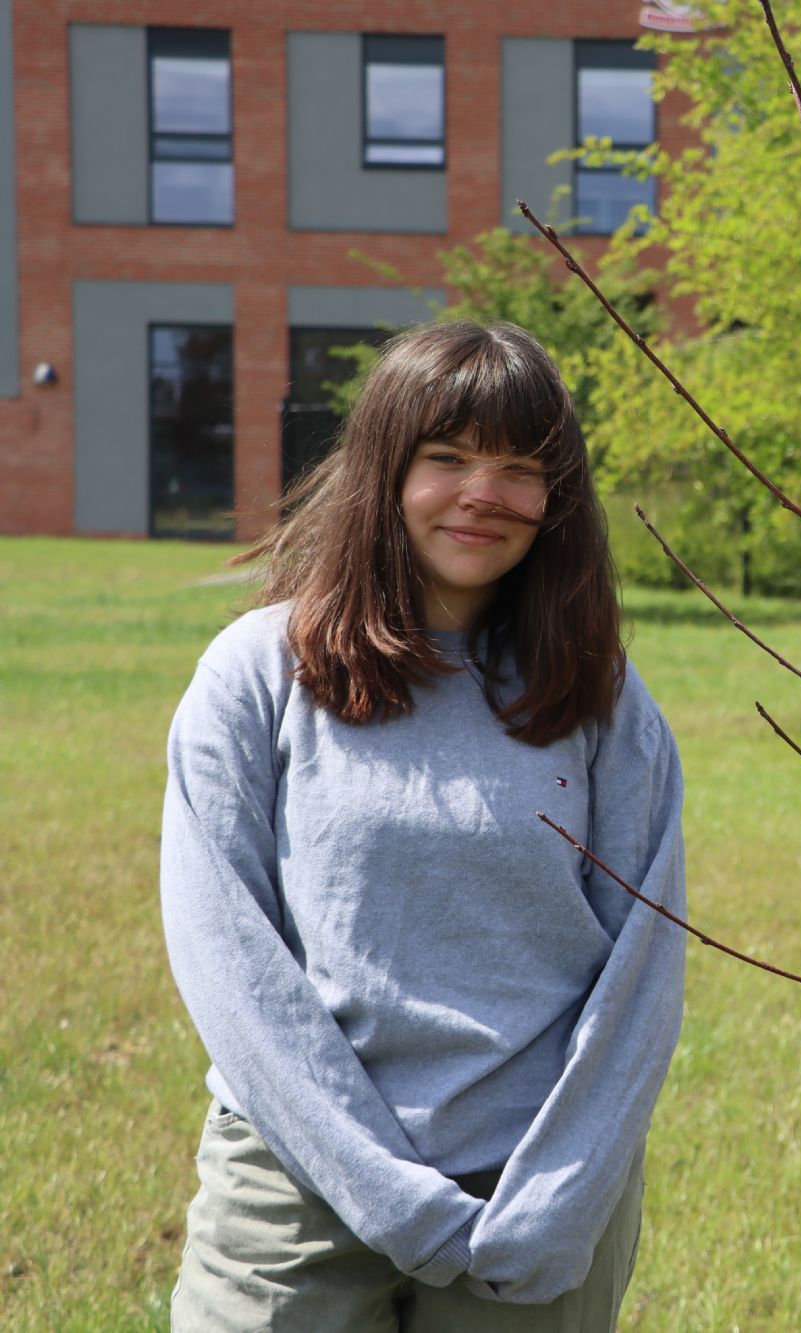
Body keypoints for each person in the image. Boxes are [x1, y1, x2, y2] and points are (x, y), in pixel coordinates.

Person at [160, 321, 686, 1329]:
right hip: (295, 1185)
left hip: (533, 1209)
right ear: (383, 469)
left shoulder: (604, 701)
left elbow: (643, 976)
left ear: (556, 499)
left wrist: (559, 1196)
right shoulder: (257, 674)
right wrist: (386, 1191)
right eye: (446, 458)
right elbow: (225, 952)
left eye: (520, 468)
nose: (483, 493)